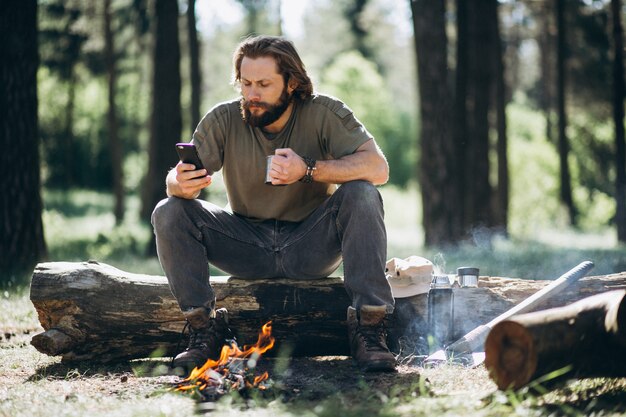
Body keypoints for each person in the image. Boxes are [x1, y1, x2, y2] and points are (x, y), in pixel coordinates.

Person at [151, 35, 395, 373]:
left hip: (310, 244)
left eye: (264, 84)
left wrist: (308, 169)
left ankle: (369, 329)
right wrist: (178, 183)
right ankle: (203, 329)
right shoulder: (223, 119)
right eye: (246, 83)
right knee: (168, 210)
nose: (252, 94)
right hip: (245, 244)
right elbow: (178, 180)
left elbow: (378, 168)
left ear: (292, 82)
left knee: (362, 193)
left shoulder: (325, 113)